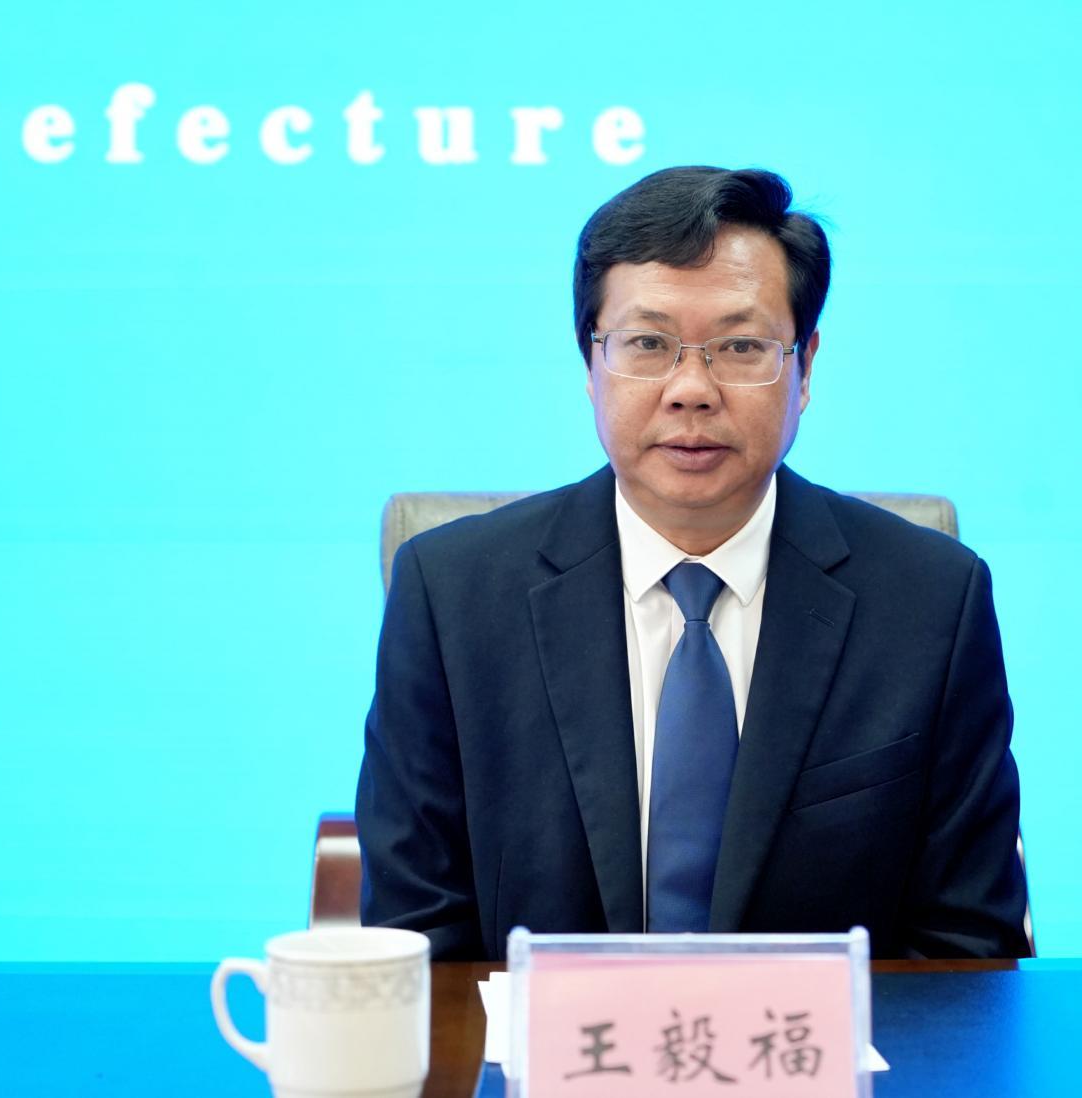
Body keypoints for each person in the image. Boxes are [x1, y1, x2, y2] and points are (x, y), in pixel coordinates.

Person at [355, 166, 1029, 961]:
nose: (690, 389)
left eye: (740, 346)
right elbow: (416, 937)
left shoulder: (930, 603)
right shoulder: (452, 596)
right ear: (589, 364)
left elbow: (966, 947)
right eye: (647, 344)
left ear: (804, 369)